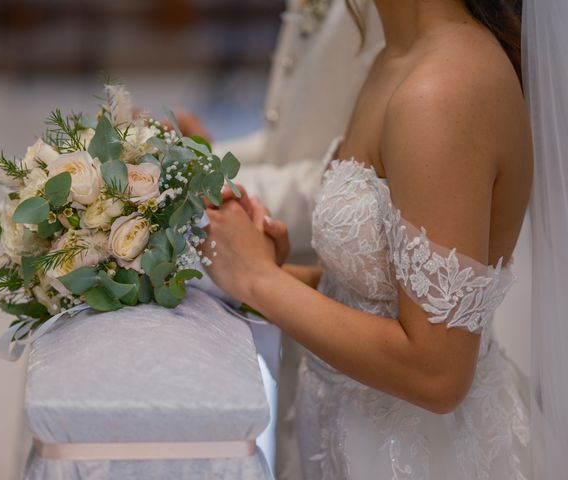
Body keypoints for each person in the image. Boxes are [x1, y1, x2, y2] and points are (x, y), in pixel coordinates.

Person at [204, 0, 532, 478]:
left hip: (415, 458)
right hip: (343, 440)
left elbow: (438, 372)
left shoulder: (443, 88)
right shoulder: (394, 54)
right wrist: (264, 269)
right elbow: (379, 297)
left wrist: (258, 281)